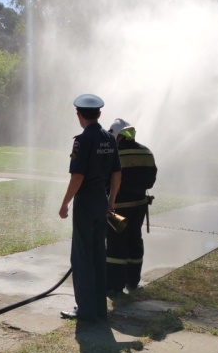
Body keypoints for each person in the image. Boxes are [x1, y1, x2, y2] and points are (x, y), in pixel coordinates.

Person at [58, 94, 121, 322]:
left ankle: (85, 309)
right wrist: (111, 201)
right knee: (98, 255)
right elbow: (116, 173)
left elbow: (78, 176)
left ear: (79, 115)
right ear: (99, 114)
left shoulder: (82, 141)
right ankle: (99, 308)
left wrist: (65, 202)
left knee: (82, 257)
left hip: (85, 204)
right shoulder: (109, 139)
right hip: (101, 202)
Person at [105, 119, 157, 297]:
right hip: (139, 206)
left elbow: (107, 181)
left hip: (117, 208)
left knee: (115, 245)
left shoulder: (114, 154)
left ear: (118, 136)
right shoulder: (146, 152)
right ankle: (133, 280)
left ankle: (114, 285)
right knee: (135, 240)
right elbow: (150, 180)